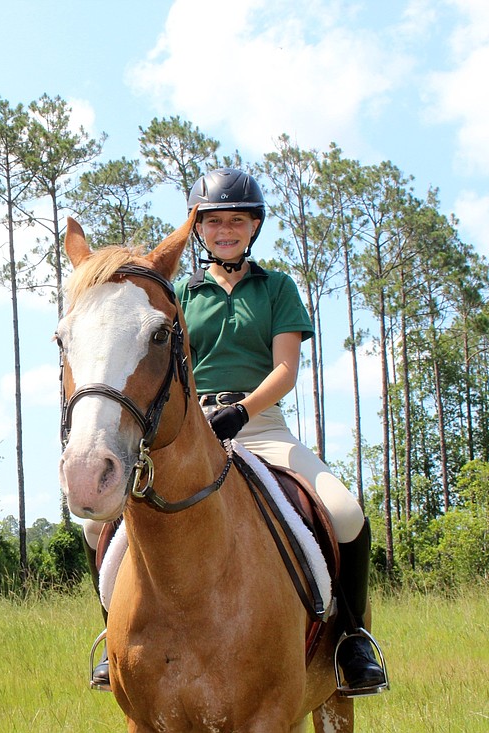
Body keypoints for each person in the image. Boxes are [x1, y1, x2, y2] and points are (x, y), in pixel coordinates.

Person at [86, 168, 387, 697]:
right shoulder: (179, 292)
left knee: (344, 513)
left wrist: (244, 411)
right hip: (190, 428)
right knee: (97, 528)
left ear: (254, 228)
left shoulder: (277, 288)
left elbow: (287, 370)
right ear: (199, 230)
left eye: (238, 222)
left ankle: (352, 640)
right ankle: (115, 640)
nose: (226, 230)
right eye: (215, 222)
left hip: (262, 425)